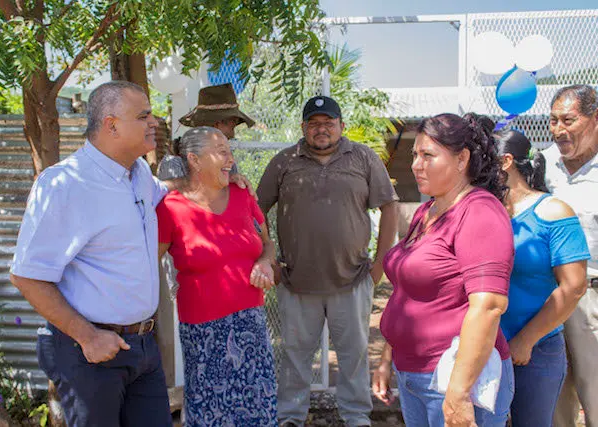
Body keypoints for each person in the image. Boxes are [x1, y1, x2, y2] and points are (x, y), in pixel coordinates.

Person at [10, 81, 173, 427]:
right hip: (90, 353)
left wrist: (220, 178)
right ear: (111, 125)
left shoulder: (139, 173)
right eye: (143, 115)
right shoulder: (65, 184)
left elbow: (168, 195)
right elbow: (26, 275)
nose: (154, 122)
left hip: (142, 347)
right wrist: (87, 336)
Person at [257, 95, 399, 427]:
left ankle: (356, 417)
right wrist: (268, 257)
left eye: (328, 123)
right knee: (295, 356)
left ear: (341, 126)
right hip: (296, 281)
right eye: (314, 123)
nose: (321, 129)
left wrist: (380, 264)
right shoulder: (284, 161)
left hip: (351, 279)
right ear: (304, 127)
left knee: (353, 356)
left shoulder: (362, 157)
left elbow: (389, 207)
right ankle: (290, 416)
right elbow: (254, 211)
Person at [373, 113, 515, 427]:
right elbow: (406, 294)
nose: (415, 165)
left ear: (462, 158)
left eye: (428, 156)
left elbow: (489, 306)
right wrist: (386, 359)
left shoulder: (479, 212)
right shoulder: (428, 210)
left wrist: (459, 393)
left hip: (453, 377)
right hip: (414, 373)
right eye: (414, 155)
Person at [156, 127, 278, 426]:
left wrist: (265, 263)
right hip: (204, 331)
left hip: (251, 323)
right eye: (221, 151)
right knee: (212, 410)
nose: (230, 158)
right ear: (195, 160)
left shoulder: (241, 194)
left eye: (229, 150)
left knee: (257, 406)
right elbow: (148, 260)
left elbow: (268, 244)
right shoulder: (170, 208)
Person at [494, 129, 589, 427]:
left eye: (484, 159)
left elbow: (573, 287)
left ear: (506, 161)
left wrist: (526, 339)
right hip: (485, 346)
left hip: (534, 352)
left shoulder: (553, 212)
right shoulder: (487, 210)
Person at [544, 85, 598, 427]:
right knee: (551, 396)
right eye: (552, 121)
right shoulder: (543, 164)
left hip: (591, 299)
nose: (559, 129)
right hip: (546, 295)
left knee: (595, 391)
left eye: (568, 120)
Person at [158, 82, 254, 179]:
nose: (233, 134)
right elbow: (176, 193)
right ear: (216, 124)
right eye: (233, 122)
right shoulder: (174, 163)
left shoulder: (228, 163)